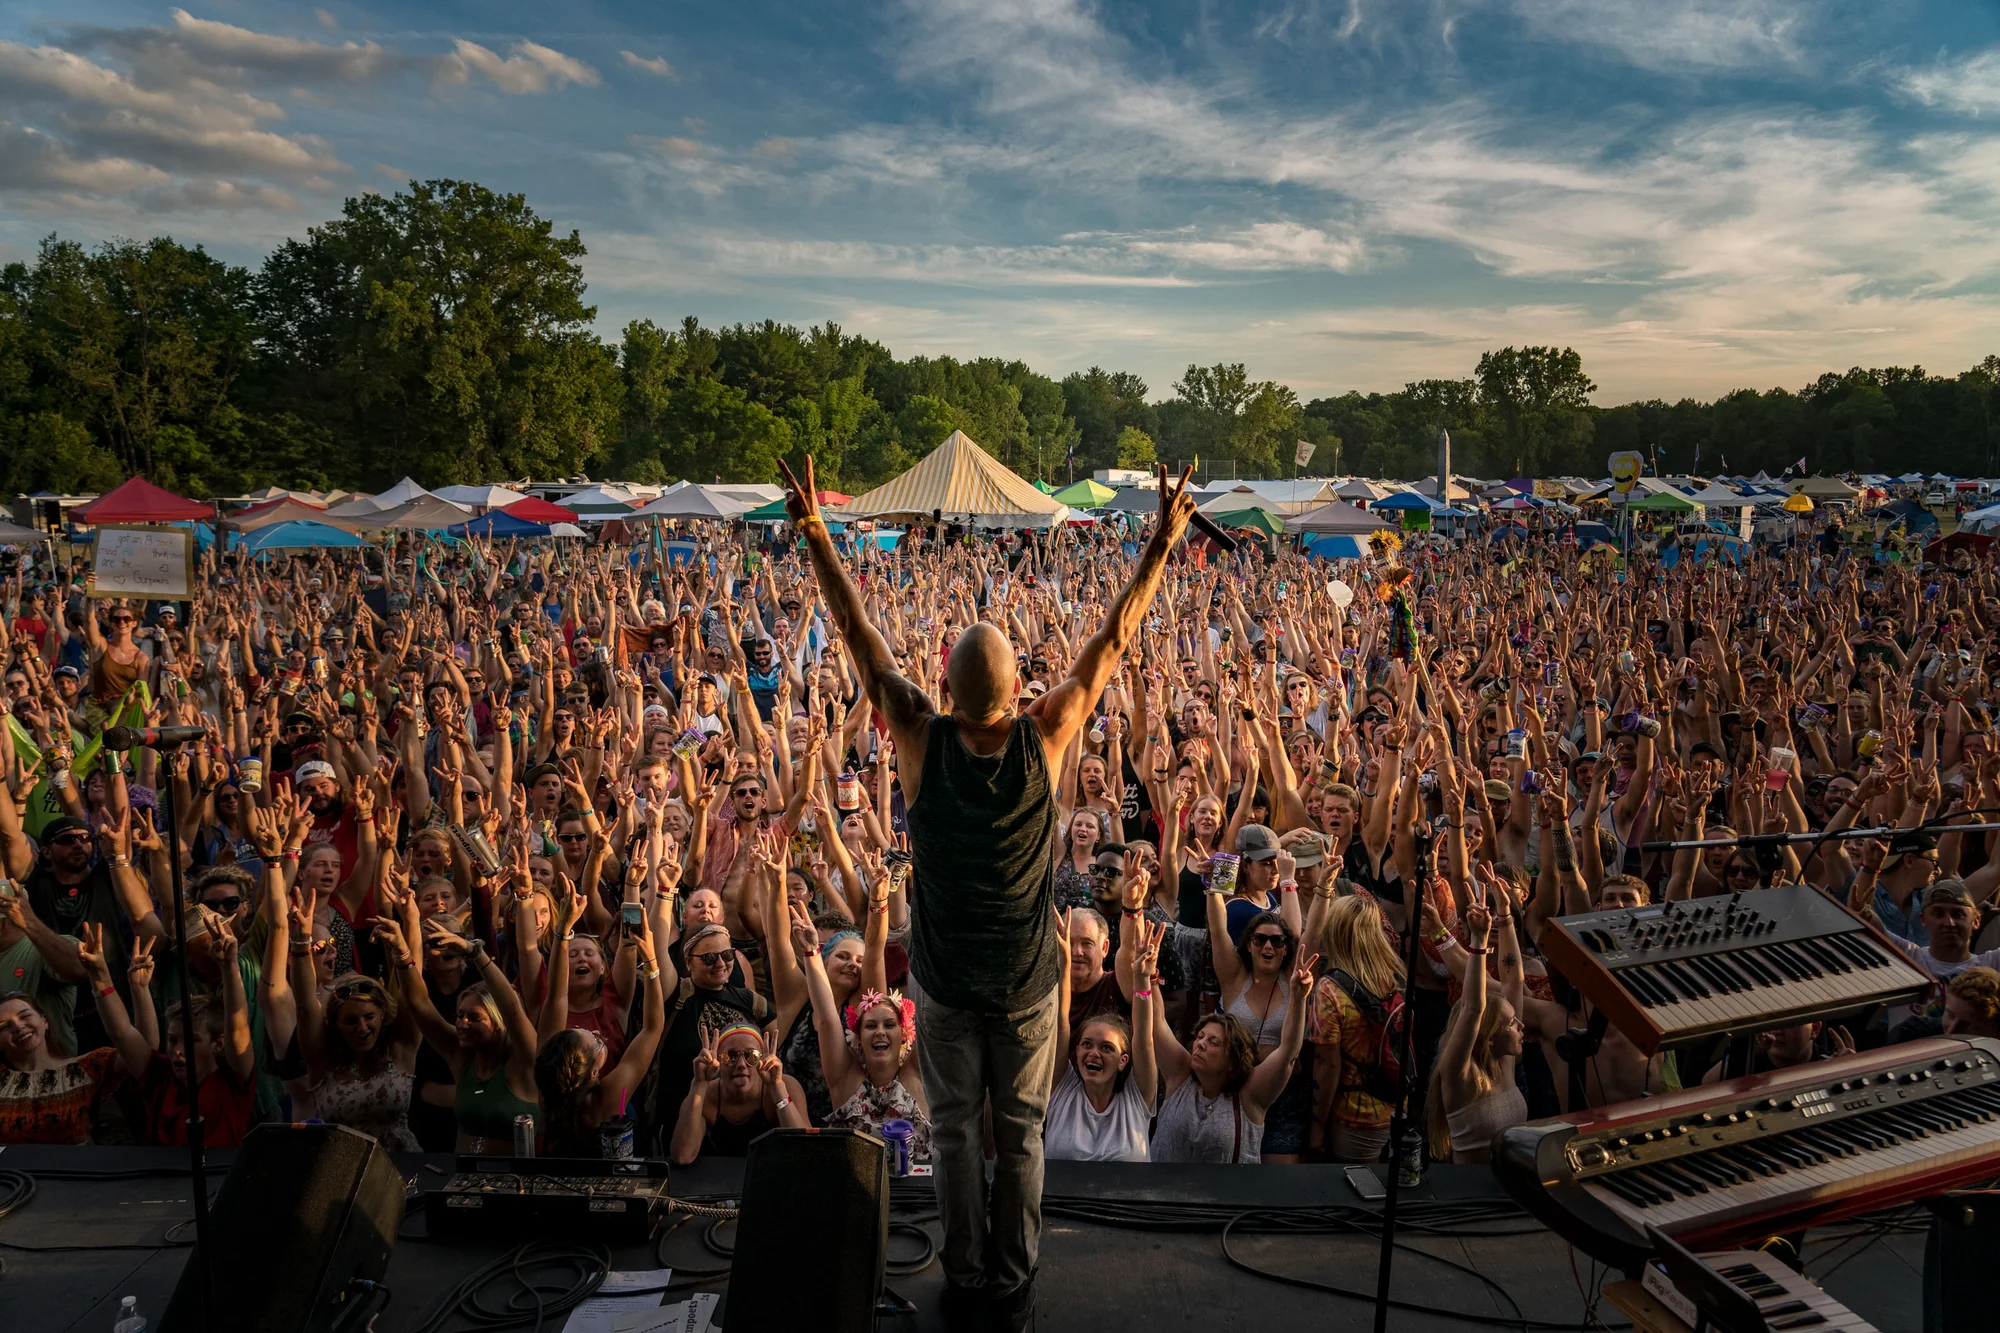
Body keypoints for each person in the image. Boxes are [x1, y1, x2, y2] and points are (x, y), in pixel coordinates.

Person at [778, 455, 1195, 1326]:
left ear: (945, 687)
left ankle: (965, 1272)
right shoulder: (1045, 738)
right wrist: (1158, 543)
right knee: (1024, 1134)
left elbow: (858, 637)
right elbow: (1114, 640)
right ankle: (1014, 1274)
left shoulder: (917, 738)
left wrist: (817, 529)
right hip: (1027, 981)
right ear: (1019, 692)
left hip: (944, 980)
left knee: (959, 1134)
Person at [1148, 943, 1316, 1163]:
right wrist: (1148, 977)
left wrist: (1298, 998)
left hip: (1226, 1196)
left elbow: (1288, 1053)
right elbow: (1157, 1023)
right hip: (1164, 1194)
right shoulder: (1180, 1076)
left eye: (1214, 1042)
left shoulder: (1250, 1096)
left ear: (1233, 1058)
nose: (1200, 1044)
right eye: (1200, 1037)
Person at [1045, 921, 1161, 1162]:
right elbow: (1061, 1022)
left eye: (1107, 1048)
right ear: (1075, 1052)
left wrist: (1141, 980)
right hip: (1062, 1201)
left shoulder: (1137, 1097)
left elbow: (1143, 1039)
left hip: (1126, 1200)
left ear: (1123, 1060)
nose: (1094, 1053)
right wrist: (1063, 963)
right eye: (1086, 1044)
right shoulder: (1062, 1089)